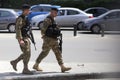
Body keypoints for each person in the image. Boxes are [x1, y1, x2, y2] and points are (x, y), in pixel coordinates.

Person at [33, 8, 71, 73]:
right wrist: (44, 38)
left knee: (57, 52)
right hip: (48, 39)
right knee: (45, 53)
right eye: (55, 13)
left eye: (56, 13)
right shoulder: (47, 19)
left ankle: (62, 67)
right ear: (51, 12)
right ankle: (36, 65)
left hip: (54, 39)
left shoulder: (53, 19)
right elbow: (43, 30)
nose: (56, 14)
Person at [10, 4, 33, 74]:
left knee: (27, 53)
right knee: (27, 53)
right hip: (23, 38)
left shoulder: (25, 17)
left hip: (26, 37)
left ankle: (15, 62)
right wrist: (20, 40)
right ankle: (25, 69)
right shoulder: (20, 18)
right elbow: (18, 29)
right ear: (25, 10)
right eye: (28, 10)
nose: (29, 11)